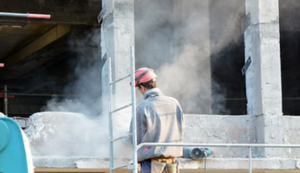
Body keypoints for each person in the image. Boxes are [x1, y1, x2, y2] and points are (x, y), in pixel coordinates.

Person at [129, 67, 185, 173]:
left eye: (138, 89)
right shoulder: (174, 103)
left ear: (142, 87)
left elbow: (135, 138)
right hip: (172, 163)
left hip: (151, 164)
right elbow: (182, 129)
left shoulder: (142, 107)